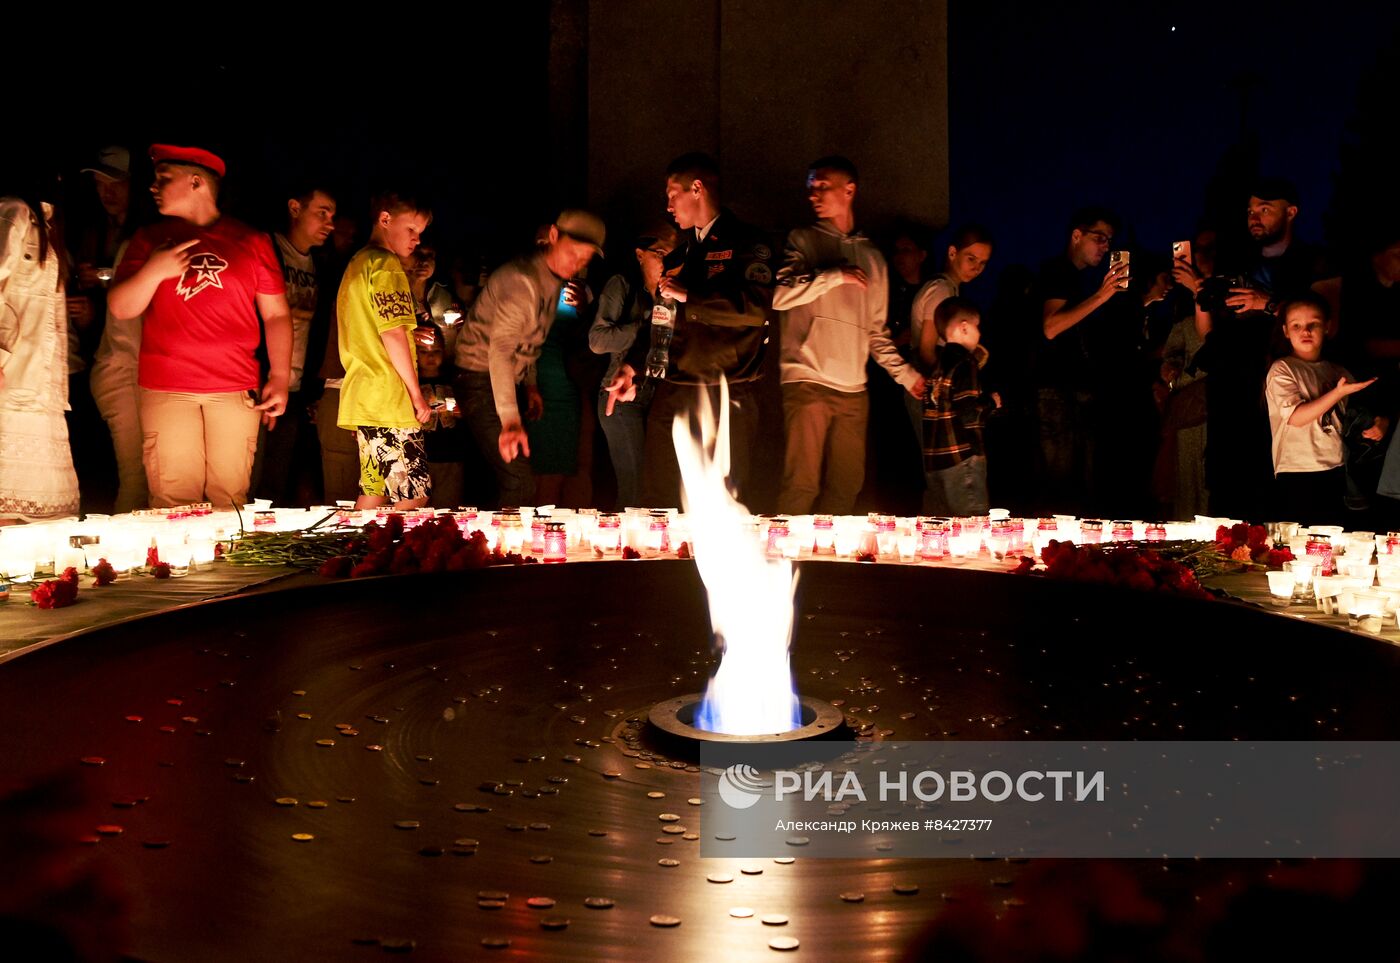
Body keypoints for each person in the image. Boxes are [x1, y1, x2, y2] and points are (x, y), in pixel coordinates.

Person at [107, 144, 291, 509]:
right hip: (167, 387)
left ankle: (226, 566)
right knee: (174, 499)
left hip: (235, 386)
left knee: (230, 498)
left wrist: (281, 377)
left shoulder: (251, 241)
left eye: (163, 178)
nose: (152, 187)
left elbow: (276, 314)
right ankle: (178, 567)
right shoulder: (150, 239)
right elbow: (121, 307)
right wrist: (154, 270)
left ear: (196, 182)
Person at [771, 156, 923, 515]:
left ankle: (827, 565)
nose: (814, 194)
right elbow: (780, 296)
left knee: (847, 485)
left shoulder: (873, 258)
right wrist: (834, 275)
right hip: (807, 377)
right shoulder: (803, 239)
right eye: (811, 187)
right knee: (801, 483)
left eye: (822, 186)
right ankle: (786, 562)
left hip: (854, 388)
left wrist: (907, 375)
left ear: (849, 190)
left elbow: (876, 332)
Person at [634, 152, 775, 508]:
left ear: (696, 189)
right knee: (659, 496)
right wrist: (635, 368)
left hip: (728, 386)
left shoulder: (747, 243)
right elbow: (665, 322)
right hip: (677, 386)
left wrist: (692, 296)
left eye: (672, 194)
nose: (668, 206)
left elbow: (755, 309)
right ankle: (658, 563)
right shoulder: (683, 254)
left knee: (725, 499)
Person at [454, 210, 604, 507]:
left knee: (518, 476)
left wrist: (531, 384)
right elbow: (501, 349)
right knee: (519, 479)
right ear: (552, 237)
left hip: (502, 379)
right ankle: (500, 551)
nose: (576, 262)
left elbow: (529, 341)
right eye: (572, 251)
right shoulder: (522, 281)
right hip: (479, 377)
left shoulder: (553, 281)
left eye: (585, 258)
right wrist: (509, 419)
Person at [1195, 178, 1324, 519]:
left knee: (1274, 493)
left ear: (1291, 212)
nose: (1255, 216)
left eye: (1265, 209)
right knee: (1226, 492)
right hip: (1229, 389)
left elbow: (1328, 323)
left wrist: (1266, 303)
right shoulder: (1236, 262)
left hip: (1282, 390)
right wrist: (1201, 292)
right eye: (1251, 210)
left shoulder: (1313, 261)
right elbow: (1209, 330)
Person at [336, 190, 434, 510]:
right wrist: (415, 393)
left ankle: (356, 554)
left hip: (365, 395)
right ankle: (389, 557)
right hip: (389, 396)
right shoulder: (385, 264)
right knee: (412, 493)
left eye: (420, 233)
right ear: (385, 219)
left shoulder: (356, 264)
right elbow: (392, 333)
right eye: (411, 230)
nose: (417, 240)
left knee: (374, 490)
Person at [1031, 206, 1129, 514]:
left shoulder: (1078, 278)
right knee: (1061, 483)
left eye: (1109, 240)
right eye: (1099, 238)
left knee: (1082, 482)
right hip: (1057, 391)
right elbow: (1050, 327)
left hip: (1076, 389)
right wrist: (1102, 295)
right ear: (1076, 235)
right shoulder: (1056, 271)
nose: (1105, 246)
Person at [1265, 293, 1386, 526]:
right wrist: (1337, 393)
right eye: (1296, 325)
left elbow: (1359, 417)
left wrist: (1380, 424)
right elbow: (1296, 417)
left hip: (1337, 469)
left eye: (1314, 324)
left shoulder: (1338, 371)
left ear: (1328, 327)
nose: (1306, 331)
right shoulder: (1282, 369)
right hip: (1298, 470)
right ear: (1285, 331)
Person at [1, 176, 80, 522]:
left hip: (42, 387)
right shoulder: (13, 210)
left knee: (35, 503)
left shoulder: (48, 221)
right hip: (10, 378)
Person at [252, 181, 337, 505]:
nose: (330, 223)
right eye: (322, 213)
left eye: (333, 215)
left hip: (296, 388)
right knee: (249, 477)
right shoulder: (267, 250)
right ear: (294, 208)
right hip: (260, 380)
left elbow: (318, 331)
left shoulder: (320, 265)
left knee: (277, 482)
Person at [590, 227, 677, 508]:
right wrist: (651, 326)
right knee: (634, 483)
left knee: (656, 483)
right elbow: (598, 339)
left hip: (658, 396)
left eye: (673, 254)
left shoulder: (671, 292)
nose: (666, 261)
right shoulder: (623, 285)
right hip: (620, 395)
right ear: (640, 254)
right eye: (660, 253)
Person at [921, 297, 999, 514]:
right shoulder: (966, 364)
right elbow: (969, 414)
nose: (980, 333)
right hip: (962, 456)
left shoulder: (938, 367)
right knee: (970, 522)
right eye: (977, 327)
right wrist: (992, 403)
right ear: (964, 328)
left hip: (935, 460)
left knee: (942, 525)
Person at [414, 325, 465, 507]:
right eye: (423, 351)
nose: (430, 356)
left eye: (435, 351)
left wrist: (459, 411)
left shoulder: (453, 380)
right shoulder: (411, 383)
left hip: (450, 456)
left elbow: (466, 411)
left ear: (444, 351)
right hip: (421, 456)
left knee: (447, 506)